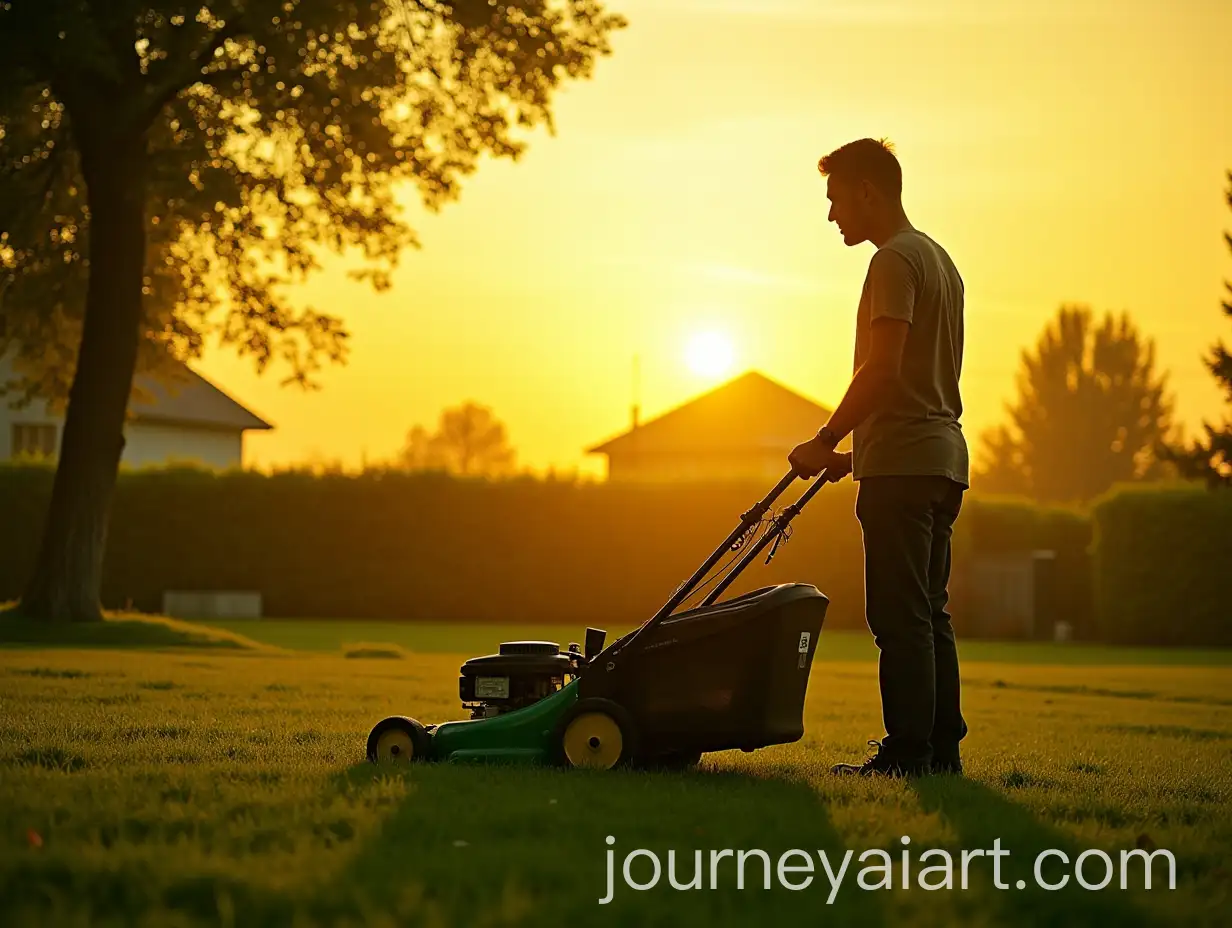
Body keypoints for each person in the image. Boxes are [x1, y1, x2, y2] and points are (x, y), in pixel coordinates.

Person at [788, 137, 970, 778]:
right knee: (930, 611)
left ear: (869, 190)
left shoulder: (892, 262)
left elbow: (884, 371)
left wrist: (827, 437)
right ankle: (941, 748)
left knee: (897, 616)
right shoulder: (940, 261)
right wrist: (851, 455)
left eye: (837, 199)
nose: (833, 214)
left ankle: (908, 753)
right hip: (942, 459)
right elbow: (921, 379)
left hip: (904, 465)